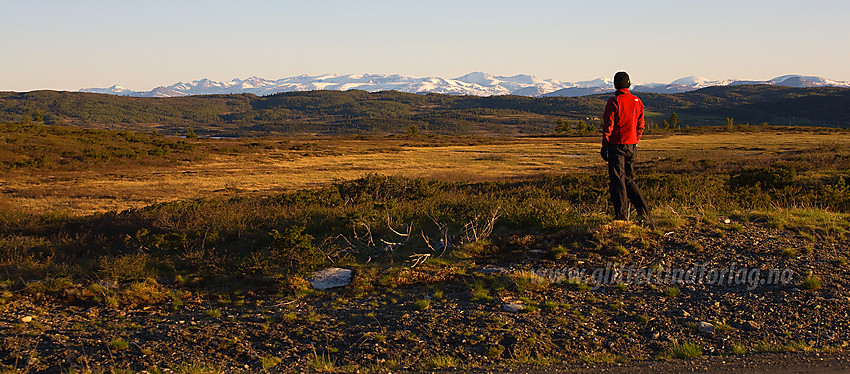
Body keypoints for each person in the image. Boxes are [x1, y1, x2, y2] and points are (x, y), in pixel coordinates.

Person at [601, 71, 650, 221]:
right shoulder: (637, 101)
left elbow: (608, 125)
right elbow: (641, 125)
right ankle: (644, 212)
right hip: (632, 145)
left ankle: (621, 217)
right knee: (629, 179)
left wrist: (605, 145)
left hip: (617, 145)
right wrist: (635, 140)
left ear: (615, 84)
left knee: (617, 181)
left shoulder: (614, 101)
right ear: (628, 83)